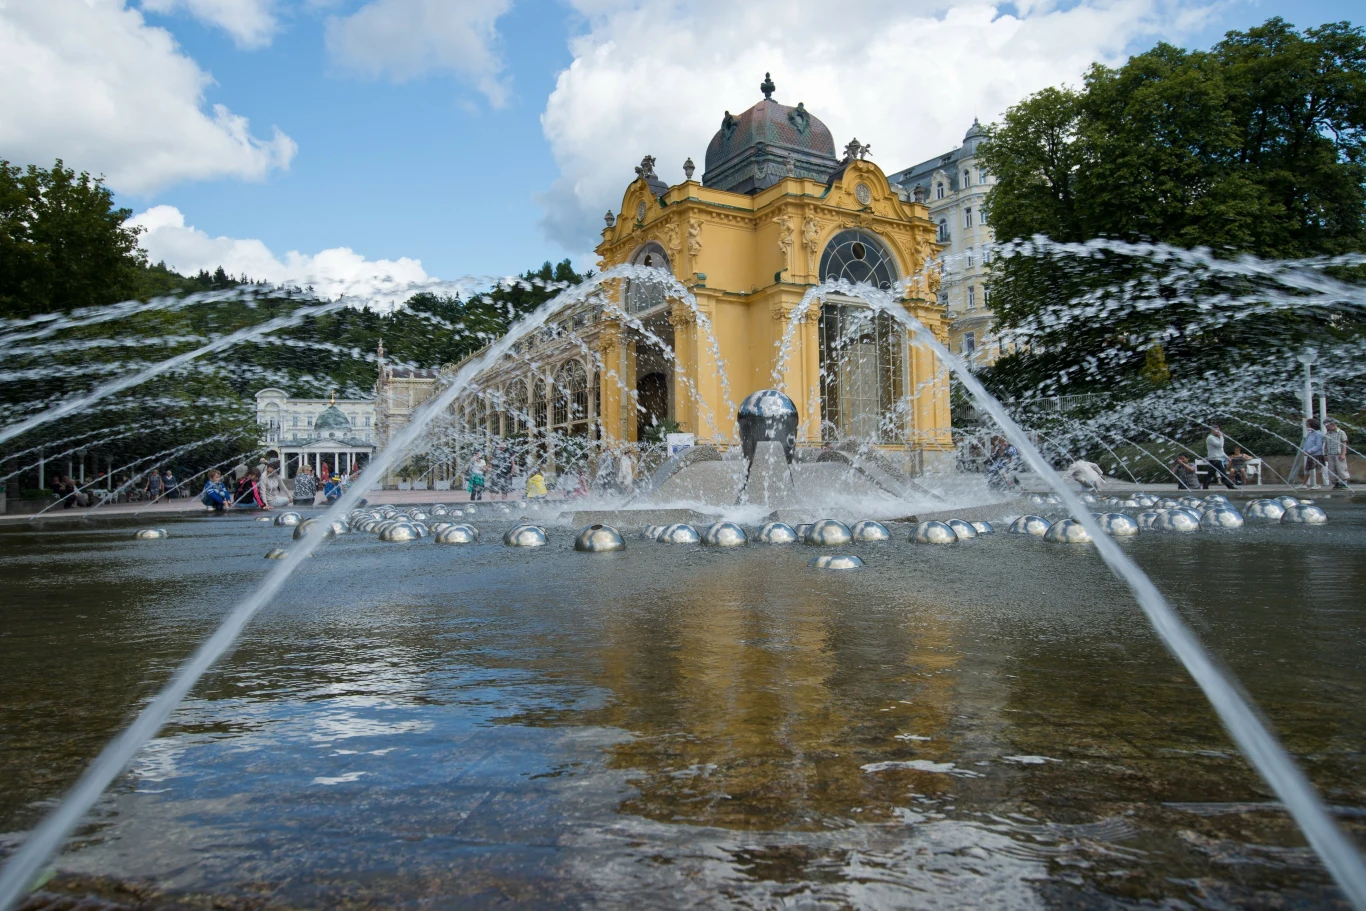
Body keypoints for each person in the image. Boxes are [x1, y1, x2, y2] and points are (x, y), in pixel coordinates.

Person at [1203, 425, 1236, 490]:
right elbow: (1220, 445)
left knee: (1211, 473)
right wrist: (1221, 436)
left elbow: (1221, 451)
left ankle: (1205, 486)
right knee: (1223, 473)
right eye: (1217, 430)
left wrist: (1227, 457)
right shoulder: (1210, 438)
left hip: (1217, 458)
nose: (1218, 432)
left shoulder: (1216, 438)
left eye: (1219, 430)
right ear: (1212, 430)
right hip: (1214, 458)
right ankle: (1230, 486)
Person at [1323, 420, 1350, 489]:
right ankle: (1337, 482)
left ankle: (1344, 482)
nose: (1327, 428)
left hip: (1338, 453)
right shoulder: (1327, 434)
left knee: (1341, 468)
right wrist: (1325, 454)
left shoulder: (1341, 433)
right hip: (1330, 453)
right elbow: (1326, 444)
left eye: (1328, 426)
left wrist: (1343, 454)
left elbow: (1344, 444)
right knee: (1332, 469)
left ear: (1333, 424)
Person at [1302, 418, 1326, 489]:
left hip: (1317, 454)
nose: (1306, 426)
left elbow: (1318, 445)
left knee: (1318, 469)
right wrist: (1304, 450)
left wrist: (1309, 451)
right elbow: (1306, 443)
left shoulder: (1318, 434)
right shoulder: (1310, 434)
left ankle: (1318, 484)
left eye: (1307, 425)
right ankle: (1303, 484)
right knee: (1307, 469)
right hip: (1310, 454)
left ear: (1312, 425)